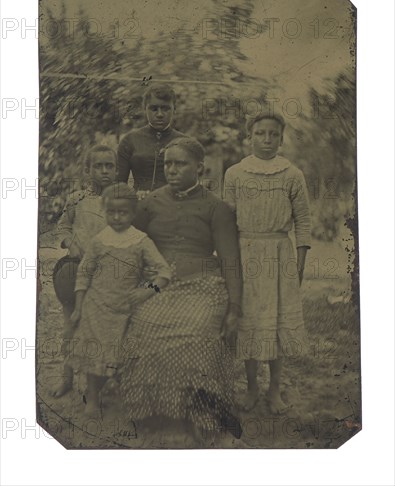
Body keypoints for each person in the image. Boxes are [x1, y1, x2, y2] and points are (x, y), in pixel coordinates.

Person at [119, 137, 243, 445]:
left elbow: (229, 261)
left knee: (199, 327)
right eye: (168, 164)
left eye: (180, 163)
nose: (172, 170)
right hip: (158, 284)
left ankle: (202, 408)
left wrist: (235, 309)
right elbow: (129, 246)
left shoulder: (217, 208)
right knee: (143, 322)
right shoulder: (149, 203)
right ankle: (152, 408)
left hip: (203, 285)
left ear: (199, 168)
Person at [224, 113, 311, 414]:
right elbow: (227, 222)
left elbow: (303, 222)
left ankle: (274, 390)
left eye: (273, 134)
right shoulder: (234, 173)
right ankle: (251, 389)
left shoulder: (292, 175)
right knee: (249, 322)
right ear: (249, 136)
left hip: (279, 255)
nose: (266, 140)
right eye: (260, 133)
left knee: (274, 323)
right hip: (245, 253)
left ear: (281, 138)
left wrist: (298, 264)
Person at [69, 183, 172, 417]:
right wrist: (78, 306)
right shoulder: (98, 241)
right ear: (104, 211)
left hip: (125, 307)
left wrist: (147, 291)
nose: (116, 217)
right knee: (95, 352)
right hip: (96, 306)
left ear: (133, 213)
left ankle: (122, 389)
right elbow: (84, 273)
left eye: (123, 212)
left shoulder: (141, 241)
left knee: (120, 352)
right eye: (111, 212)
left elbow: (164, 272)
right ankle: (93, 398)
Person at [52, 144, 117, 398]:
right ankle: (66, 378)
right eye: (98, 166)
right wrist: (70, 243)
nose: (104, 171)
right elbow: (62, 227)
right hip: (77, 271)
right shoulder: (77, 199)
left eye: (109, 166)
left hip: (110, 274)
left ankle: (106, 380)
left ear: (116, 169)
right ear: (87, 170)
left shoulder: (122, 199)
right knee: (71, 326)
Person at [117, 83, 187, 196]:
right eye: (154, 109)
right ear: (145, 109)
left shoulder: (185, 143)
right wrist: (133, 196)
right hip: (139, 207)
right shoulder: (130, 140)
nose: (159, 114)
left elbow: (192, 186)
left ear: (174, 109)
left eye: (165, 108)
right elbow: (119, 186)